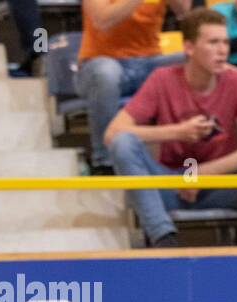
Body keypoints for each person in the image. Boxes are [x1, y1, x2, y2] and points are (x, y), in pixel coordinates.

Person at [104, 8, 237, 247]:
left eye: (225, 42)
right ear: (189, 47)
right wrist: (177, 131)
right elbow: (113, 133)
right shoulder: (162, 78)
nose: (223, 50)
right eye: (213, 42)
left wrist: (200, 175)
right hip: (170, 186)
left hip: (219, 184)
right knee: (123, 143)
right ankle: (163, 237)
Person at [77, 0, 193, 174]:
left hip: (149, 61)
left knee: (193, 59)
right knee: (106, 73)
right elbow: (102, 21)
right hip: (100, 60)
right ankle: (103, 160)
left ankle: (193, 153)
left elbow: (184, 10)